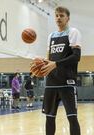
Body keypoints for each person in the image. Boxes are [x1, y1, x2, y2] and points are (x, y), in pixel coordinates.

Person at [40, 6, 81, 135]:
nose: (58, 18)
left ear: (67, 18)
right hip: (51, 83)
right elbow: (49, 59)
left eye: (61, 15)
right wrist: (41, 64)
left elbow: (76, 57)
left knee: (72, 117)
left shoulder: (73, 32)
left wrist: (56, 64)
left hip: (67, 82)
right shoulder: (51, 36)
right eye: (57, 15)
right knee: (49, 118)